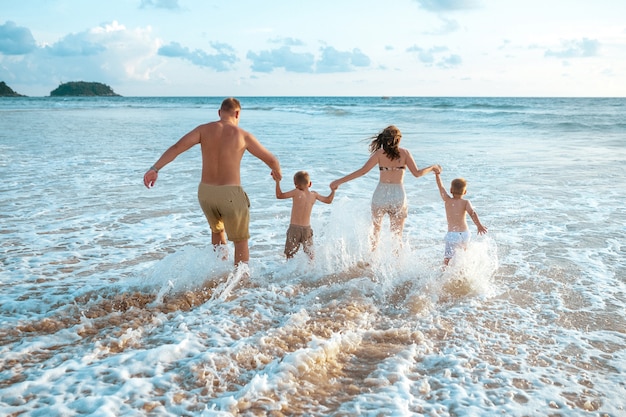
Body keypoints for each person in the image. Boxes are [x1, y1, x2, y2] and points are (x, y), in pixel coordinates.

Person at [143, 97, 282, 267]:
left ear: (219, 113)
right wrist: (277, 173)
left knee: (217, 230)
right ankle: (241, 282)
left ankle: (218, 270)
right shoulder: (243, 135)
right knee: (240, 240)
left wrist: (155, 169)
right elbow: (272, 159)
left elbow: (177, 148)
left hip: (206, 194)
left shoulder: (203, 130)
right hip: (230, 194)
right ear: (237, 113)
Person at [330, 125, 440, 249]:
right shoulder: (405, 153)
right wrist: (433, 167)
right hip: (398, 195)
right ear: (398, 139)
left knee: (375, 234)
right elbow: (417, 173)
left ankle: (372, 262)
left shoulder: (379, 154)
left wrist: (338, 181)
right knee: (397, 236)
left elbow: (362, 171)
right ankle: (397, 266)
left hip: (381, 193)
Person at [273, 170, 335, 260]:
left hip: (294, 229)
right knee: (310, 256)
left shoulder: (296, 192)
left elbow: (279, 195)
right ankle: (311, 272)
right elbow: (328, 200)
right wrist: (333, 191)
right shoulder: (314, 195)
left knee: (290, 255)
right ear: (310, 184)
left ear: (296, 184)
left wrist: (277, 182)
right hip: (307, 230)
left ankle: (289, 272)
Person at [434, 168, 488, 265]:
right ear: (465, 192)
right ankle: (462, 275)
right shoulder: (466, 202)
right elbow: (472, 213)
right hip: (465, 234)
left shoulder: (447, 200)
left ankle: (443, 276)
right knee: (462, 257)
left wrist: (437, 175)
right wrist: (479, 225)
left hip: (452, 235)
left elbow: (440, 187)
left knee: (447, 260)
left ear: (451, 190)